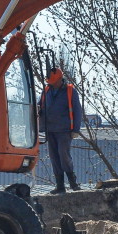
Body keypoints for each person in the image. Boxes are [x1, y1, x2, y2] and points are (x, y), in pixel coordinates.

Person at [38, 65, 83, 193]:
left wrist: (76, 129)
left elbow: (77, 111)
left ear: (60, 79)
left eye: (54, 82)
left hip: (64, 130)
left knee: (64, 156)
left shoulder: (70, 91)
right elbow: (40, 106)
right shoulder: (46, 91)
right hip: (49, 129)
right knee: (54, 157)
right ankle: (60, 186)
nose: (52, 84)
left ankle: (73, 184)